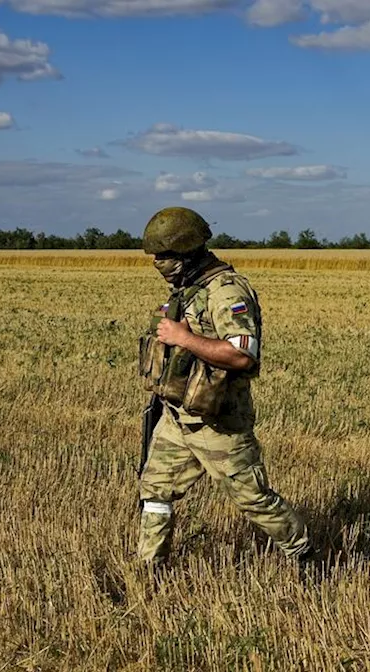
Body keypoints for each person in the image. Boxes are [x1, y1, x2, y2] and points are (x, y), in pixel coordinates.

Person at [135, 206, 314, 564]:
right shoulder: (188, 289)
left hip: (219, 421)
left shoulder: (227, 293)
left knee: (253, 499)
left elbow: (242, 356)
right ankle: (148, 567)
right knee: (155, 491)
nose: (158, 263)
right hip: (178, 415)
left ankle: (306, 555)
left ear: (186, 253)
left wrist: (182, 338)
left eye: (164, 256)